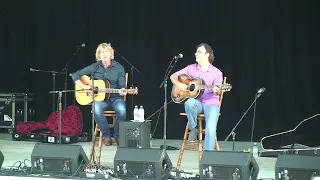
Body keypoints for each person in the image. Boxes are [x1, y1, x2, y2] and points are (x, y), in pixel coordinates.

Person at [72, 42, 127, 146]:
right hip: (101, 99)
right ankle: (106, 136)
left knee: (122, 110)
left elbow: (122, 85)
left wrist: (122, 90)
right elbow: (75, 75)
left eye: (106, 52)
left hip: (115, 98)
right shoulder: (95, 67)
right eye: (102, 52)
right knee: (96, 108)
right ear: (98, 55)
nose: (104, 54)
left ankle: (117, 135)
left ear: (111, 54)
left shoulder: (119, 67)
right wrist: (84, 87)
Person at [170, 43, 223, 151]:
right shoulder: (192, 68)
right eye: (196, 52)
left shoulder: (216, 73)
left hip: (211, 104)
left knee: (211, 130)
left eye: (199, 52)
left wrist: (217, 90)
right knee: (189, 102)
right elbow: (173, 76)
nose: (196, 54)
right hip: (197, 103)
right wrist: (179, 84)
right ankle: (193, 128)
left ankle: (207, 158)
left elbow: (218, 91)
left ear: (207, 54)